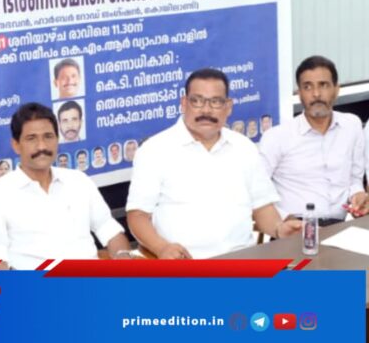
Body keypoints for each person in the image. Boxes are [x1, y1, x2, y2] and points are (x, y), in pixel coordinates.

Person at [126, 68, 300, 259]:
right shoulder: (154, 150)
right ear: (184, 103)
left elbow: (262, 207)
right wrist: (162, 248)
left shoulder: (244, 147)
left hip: (242, 260)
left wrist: (279, 229)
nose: (206, 110)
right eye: (197, 101)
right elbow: (137, 215)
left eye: (215, 102)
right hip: (184, 264)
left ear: (228, 107)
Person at [0, 103, 131, 270]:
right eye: (31, 138)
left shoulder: (79, 181)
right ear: (16, 145)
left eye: (48, 136)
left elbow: (109, 230)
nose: (42, 146)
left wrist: (123, 259)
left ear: (57, 140)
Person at [259, 56, 368, 223]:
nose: (316, 94)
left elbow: (355, 180)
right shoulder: (277, 137)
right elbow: (258, 191)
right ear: (299, 94)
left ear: (336, 89)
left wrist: (358, 196)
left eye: (323, 85)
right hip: (294, 225)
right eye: (307, 87)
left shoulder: (351, 125)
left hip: (337, 226)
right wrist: (283, 220)